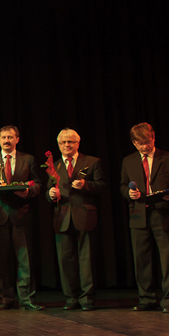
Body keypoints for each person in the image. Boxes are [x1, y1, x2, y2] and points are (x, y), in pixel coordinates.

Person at [120, 123, 169, 313]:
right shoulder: (128, 161)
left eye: (148, 142)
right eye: (140, 143)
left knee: (168, 259)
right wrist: (128, 193)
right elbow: (123, 185)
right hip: (138, 214)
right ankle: (147, 298)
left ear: (153, 137)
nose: (145, 146)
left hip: (164, 213)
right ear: (134, 143)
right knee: (141, 259)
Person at [0, 125, 44, 311]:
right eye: (3, 138)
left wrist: (28, 191)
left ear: (17, 139)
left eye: (10, 137)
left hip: (21, 214)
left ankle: (27, 299)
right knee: (2, 259)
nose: (6, 141)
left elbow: (38, 184)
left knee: (25, 259)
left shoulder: (28, 159)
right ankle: (5, 299)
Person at [46, 129, 106, 311]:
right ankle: (71, 298)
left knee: (86, 259)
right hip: (62, 218)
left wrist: (85, 185)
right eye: (63, 142)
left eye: (70, 141)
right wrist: (50, 194)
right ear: (59, 145)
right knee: (66, 260)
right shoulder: (54, 166)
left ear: (78, 143)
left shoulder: (92, 162)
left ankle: (87, 298)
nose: (67, 145)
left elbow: (101, 186)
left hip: (84, 216)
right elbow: (49, 191)